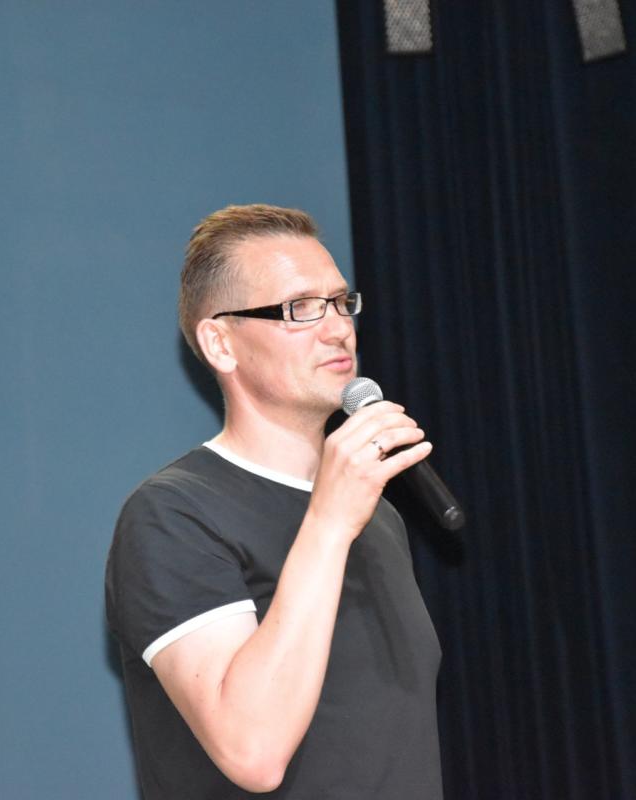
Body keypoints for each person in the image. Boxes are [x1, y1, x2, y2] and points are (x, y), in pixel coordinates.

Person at [105, 204, 443, 798]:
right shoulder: (172, 515)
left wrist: (339, 515)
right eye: (300, 308)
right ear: (220, 343)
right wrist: (328, 524)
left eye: (340, 302)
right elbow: (253, 752)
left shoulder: (378, 517)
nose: (337, 329)